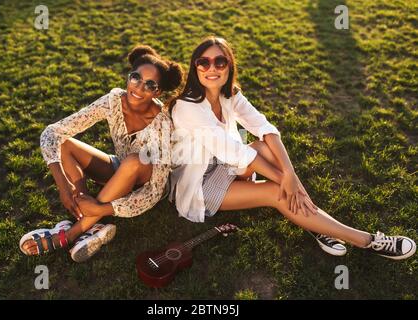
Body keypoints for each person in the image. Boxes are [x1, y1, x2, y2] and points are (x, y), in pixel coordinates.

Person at [168, 36, 415, 260]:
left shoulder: (229, 95)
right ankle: (367, 241)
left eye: (220, 62)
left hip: (227, 166)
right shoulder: (188, 107)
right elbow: (235, 152)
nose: (212, 69)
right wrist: (285, 180)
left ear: (229, 66)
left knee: (266, 149)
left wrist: (292, 177)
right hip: (200, 185)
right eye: (204, 62)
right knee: (277, 192)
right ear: (195, 67)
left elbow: (266, 129)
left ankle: (314, 223)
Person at [19, 45, 183, 262]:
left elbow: (154, 191)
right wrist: (63, 185)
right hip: (119, 168)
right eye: (135, 78)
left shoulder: (163, 123)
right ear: (128, 77)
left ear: (157, 92)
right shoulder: (114, 100)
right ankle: (84, 213)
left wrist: (104, 208)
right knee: (65, 143)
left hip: (146, 182)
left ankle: (71, 234)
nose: (139, 87)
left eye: (150, 84)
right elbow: (53, 132)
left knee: (134, 161)